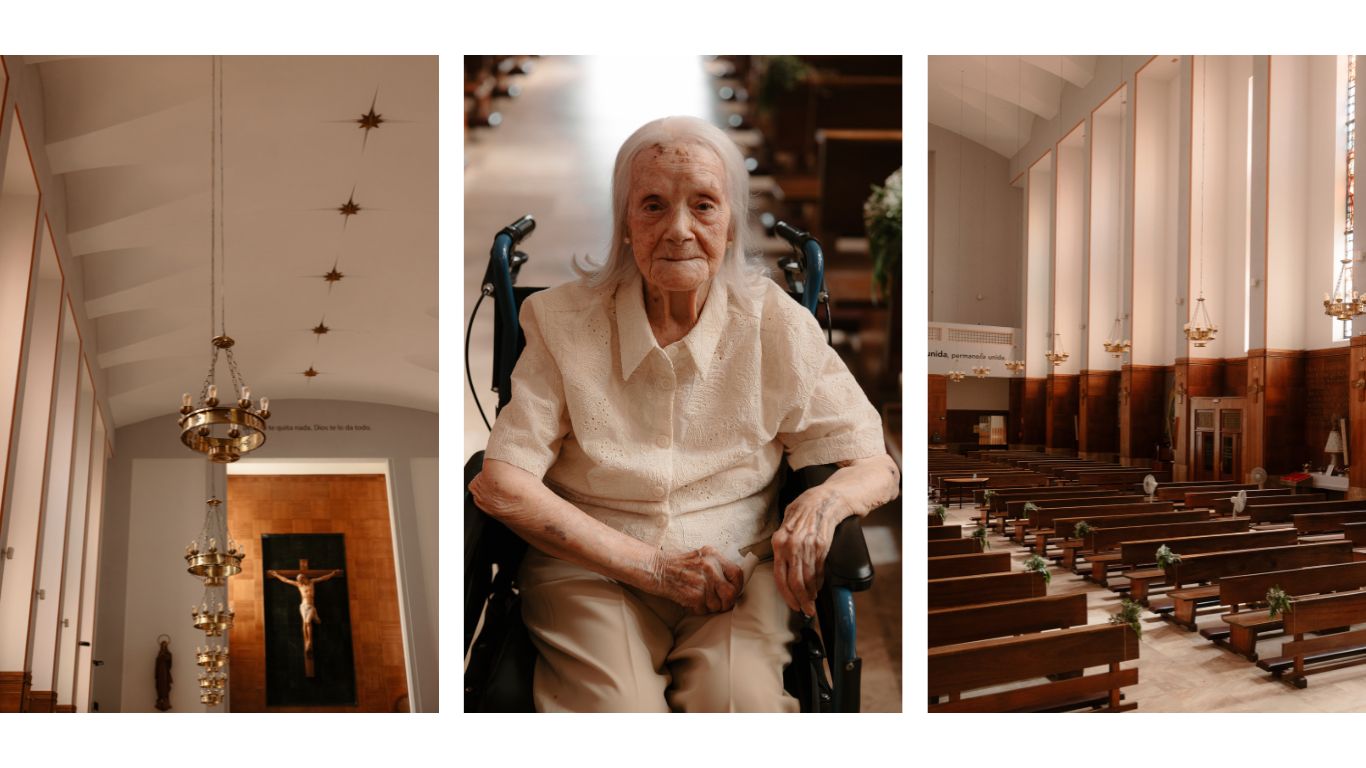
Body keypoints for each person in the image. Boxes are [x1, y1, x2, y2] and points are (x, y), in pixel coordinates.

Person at [469, 115, 899, 712]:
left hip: (739, 571)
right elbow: (502, 483)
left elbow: (873, 462)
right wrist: (653, 568)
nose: (679, 230)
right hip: (593, 570)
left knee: (743, 708)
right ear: (624, 223)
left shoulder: (775, 323)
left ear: (729, 227)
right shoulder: (562, 321)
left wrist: (821, 504)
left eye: (703, 206)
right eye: (652, 206)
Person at [267, 569, 341, 656]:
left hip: (311, 606)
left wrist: (332, 574)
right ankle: (307, 641)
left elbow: (323, 578)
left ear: (305, 577)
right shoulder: (299, 585)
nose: (300, 580)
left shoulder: (312, 582)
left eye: (301, 578)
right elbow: (286, 580)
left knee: (307, 622)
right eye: (299, 579)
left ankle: (313, 623)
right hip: (303, 606)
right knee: (305, 623)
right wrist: (276, 575)